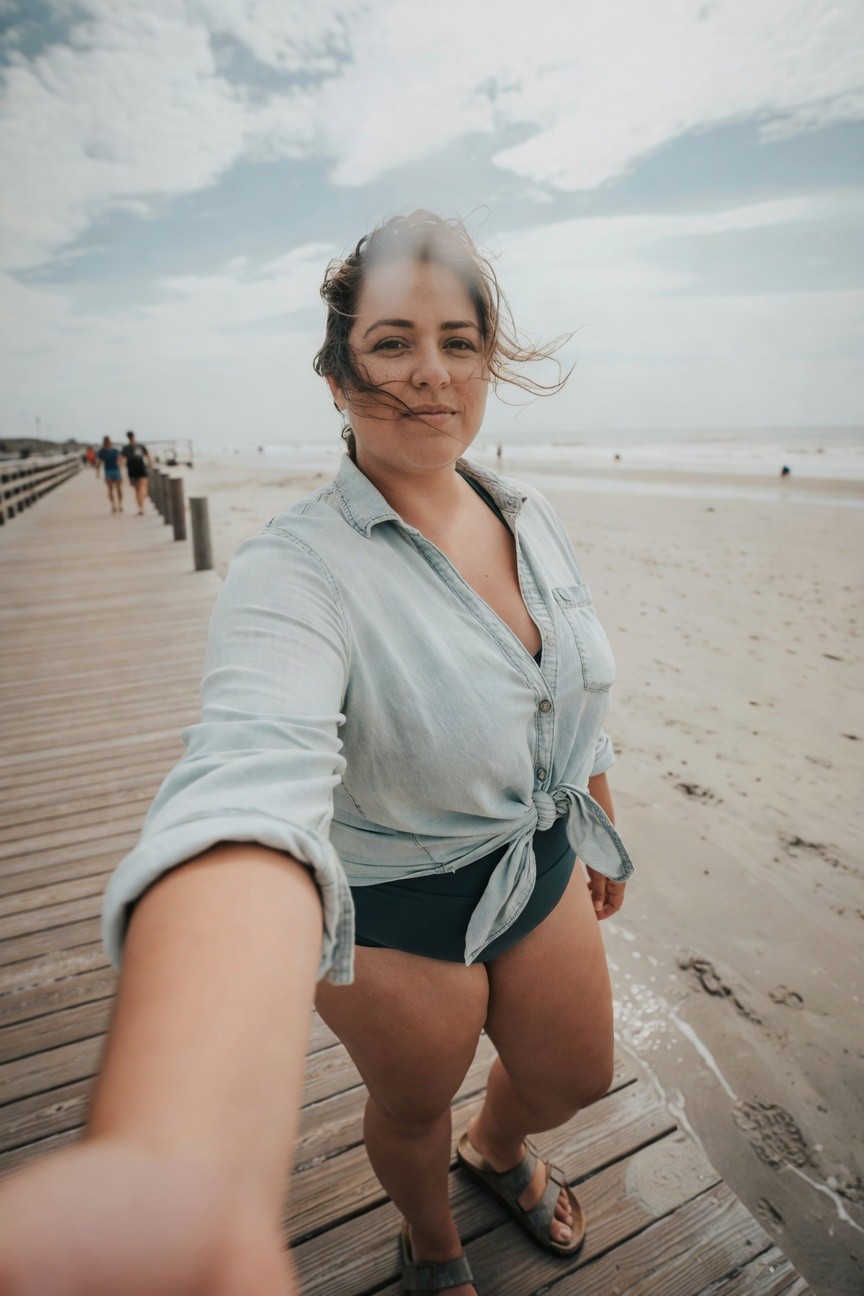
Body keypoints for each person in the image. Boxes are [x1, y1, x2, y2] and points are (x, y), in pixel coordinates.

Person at [0, 211, 632, 1296]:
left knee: (576, 1075)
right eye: (392, 342)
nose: (431, 372)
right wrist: (171, 1149)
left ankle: (498, 1150)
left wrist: (594, 809)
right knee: (409, 1106)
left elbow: (571, 682)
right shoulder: (294, 571)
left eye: (459, 341)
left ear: (487, 364)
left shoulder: (528, 511)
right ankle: (431, 1243)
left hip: (537, 861)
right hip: (395, 906)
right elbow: (249, 779)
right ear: (338, 376)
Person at [121, 430, 151, 514]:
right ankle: (141, 507)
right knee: (141, 488)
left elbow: (122, 460)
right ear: (134, 436)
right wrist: (151, 465)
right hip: (140, 469)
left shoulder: (126, 448)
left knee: (138, 490)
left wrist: (121, 467)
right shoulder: (140, 446)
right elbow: (148, 456)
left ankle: (140, 508)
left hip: (132, 470)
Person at [95, 435, 123, 512]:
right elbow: (99, 462)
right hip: (108, 471)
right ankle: (113, 505)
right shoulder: (102, 451)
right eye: (106, 442)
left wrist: (121, 465)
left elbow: (120, 459)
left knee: (119, 489)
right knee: (110, 489)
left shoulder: (115, 451)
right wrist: (97, 472)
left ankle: (120, 504)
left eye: (109, 442)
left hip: (116, 471)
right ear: (104, 443)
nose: (108, 443)